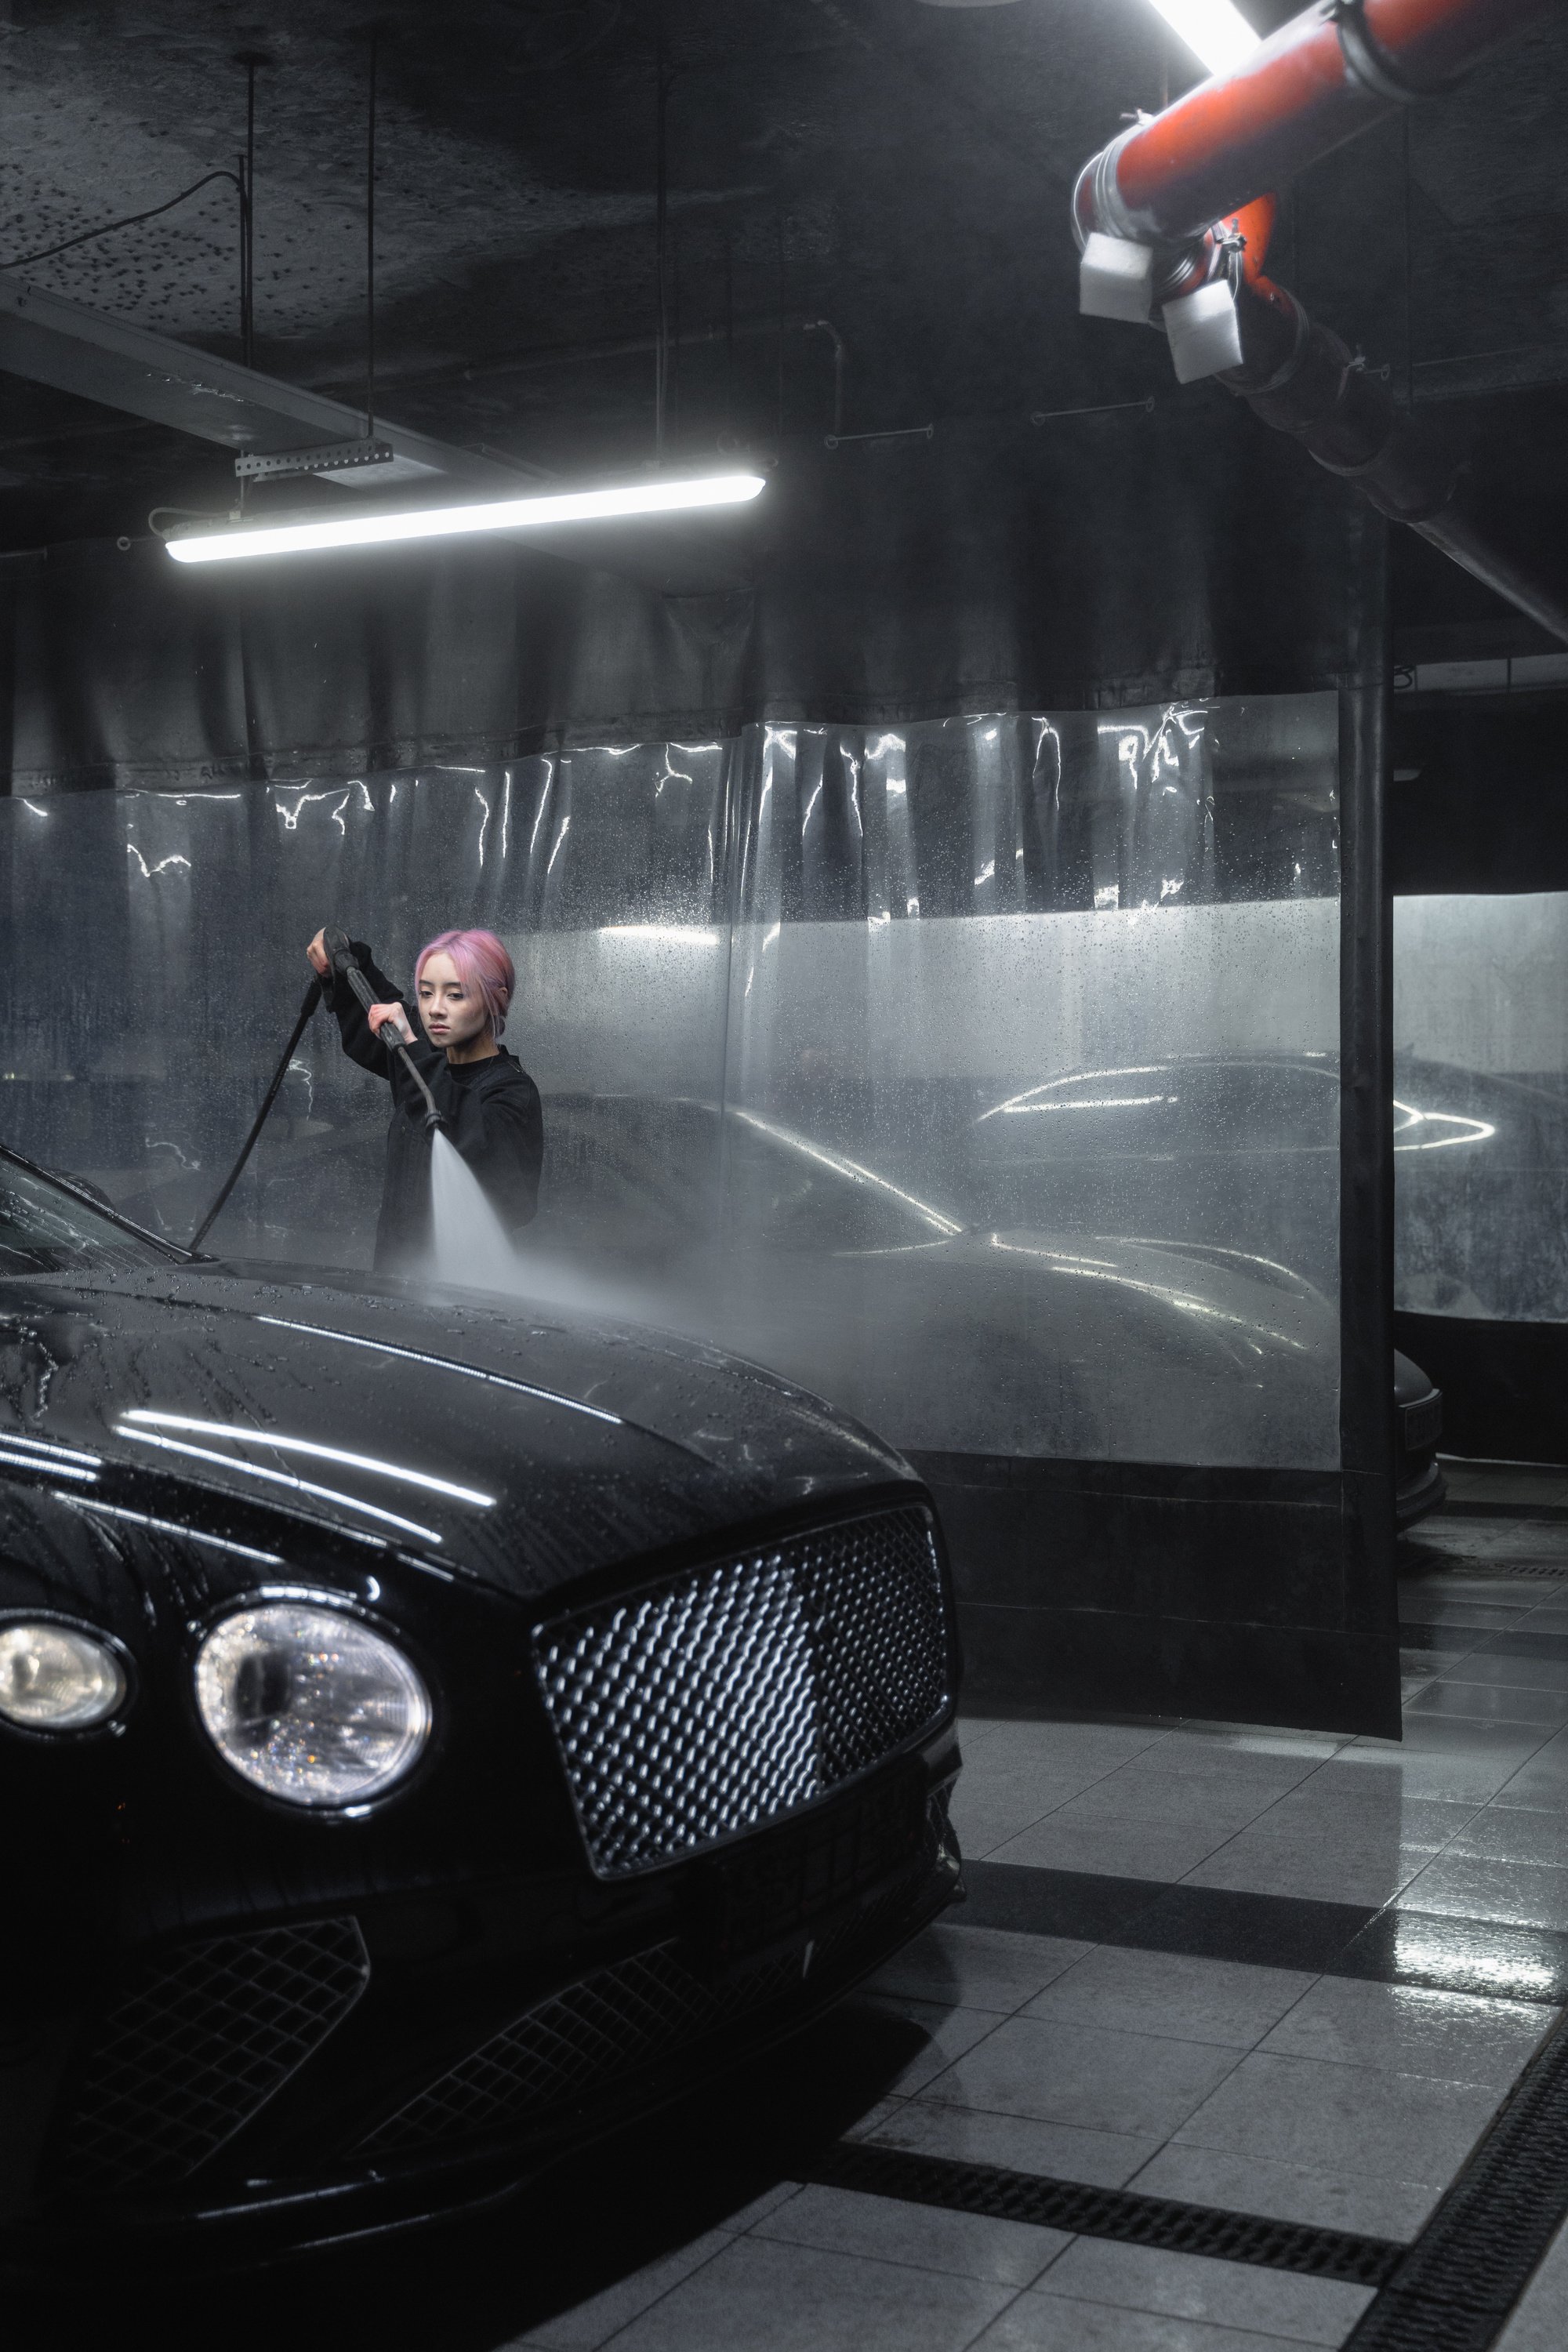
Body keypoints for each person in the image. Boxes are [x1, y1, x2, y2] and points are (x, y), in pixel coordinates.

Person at [305, 925, 543, 1274]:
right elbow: (378, 1005)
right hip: (396, 1283)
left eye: (456, 995)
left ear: (498, 999)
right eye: (426, 993)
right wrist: (342, 958)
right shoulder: (425, 1057)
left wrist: (413, 1046)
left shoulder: (511, 1091)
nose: (435, 1010)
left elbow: (469, 1139)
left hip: (470, 1292)